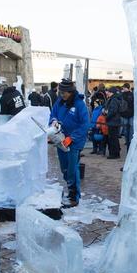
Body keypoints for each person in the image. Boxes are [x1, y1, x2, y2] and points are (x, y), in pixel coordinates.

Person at [49, 79, 89, 208]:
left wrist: (72, 138)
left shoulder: (79, 104)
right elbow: (53, 114)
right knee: (64, 168)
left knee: (72, 169)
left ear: (71, 92)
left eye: (65, 92)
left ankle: (73, 196)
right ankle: (70, 189)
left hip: (74, 142)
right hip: (61, 139)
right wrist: (54, 122)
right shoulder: (59, 102)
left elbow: (85, 124)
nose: (63, 95)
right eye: (61, 92)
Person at [104, 87, 122, 159]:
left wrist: (107, 114)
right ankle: (115, 153)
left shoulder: (113, 100)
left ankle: (114, 154)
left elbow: (113, 111)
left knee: (113, 138)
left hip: (113, 122)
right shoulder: (113, 99)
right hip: (114, 121)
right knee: (114, 138)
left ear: (112, 92)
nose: (107, 93)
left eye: (108, 91)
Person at [120, 83, 135, 151]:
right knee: (127, 130)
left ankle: (129, 144)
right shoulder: (130, 95)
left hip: (127, 114)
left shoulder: (128, 95)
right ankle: (128, 143)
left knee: (129, 130)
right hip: (127, 114)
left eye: (124, 87)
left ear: (127, 87)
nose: (123, 88)